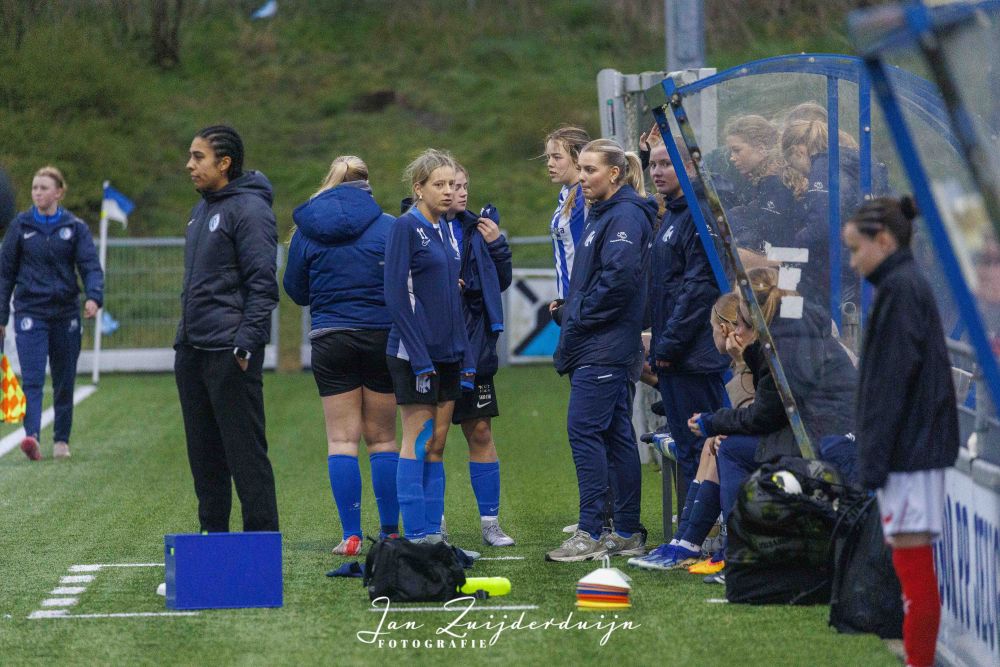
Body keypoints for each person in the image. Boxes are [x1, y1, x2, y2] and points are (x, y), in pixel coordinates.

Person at [843, 196, 959, 667]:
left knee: (913, 573)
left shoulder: (901, 290)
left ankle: (919, 661)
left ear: (885, 241)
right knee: (910, 567)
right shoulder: (899, 286)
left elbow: (891, 383)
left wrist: (874, 459)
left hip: (910, 453)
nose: (853, 262)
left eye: (857, 249)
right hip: (911, 450)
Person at [283, 155, 399, 556]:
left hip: (331, 338)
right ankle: (390, 533)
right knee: (383, 440)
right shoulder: (389, 226)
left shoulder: (307, 230)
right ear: (368, 185)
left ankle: (351, 535)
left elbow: (296, 290)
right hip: (382, 336)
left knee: (341, 440)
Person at [546, 138, 654, 562]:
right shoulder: (603, 212)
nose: (583, 177)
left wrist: (577, 314)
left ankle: (591, 530)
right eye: (582, 169)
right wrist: (574, 309)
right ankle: (625, 530)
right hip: (603, 342)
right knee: (615, 435)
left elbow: (619, 281)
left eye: (591, 170)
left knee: (585, 430)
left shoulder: (624, 214)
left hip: (606, 346)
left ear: (614, 173)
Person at [174, 125, 280, 533]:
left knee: (245, 454)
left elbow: (262, 284)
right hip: (193, 349)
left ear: (225, 163)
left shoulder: (250, 209)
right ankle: (212, 541)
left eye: (198, 157)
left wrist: (246, 343)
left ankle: (260, 545)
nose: (189, 165)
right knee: (204, 457)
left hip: (230, 351)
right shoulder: (201, 210)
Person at [384, 149, 476, 551]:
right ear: (418, 188)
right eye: (439, 184)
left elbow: (452, 299)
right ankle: (416, 537)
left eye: (452, 184)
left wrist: (465, 355)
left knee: (437, 447)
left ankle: (435, 539)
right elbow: (395, 297)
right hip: (414, 355)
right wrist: (420, 358)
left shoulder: (447, 229)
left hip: (449, 354)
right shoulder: (406, 227)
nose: (448, 191)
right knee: (418, 442)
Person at [644, 136, 730, 543]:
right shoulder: (673, 214)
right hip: (676, 355)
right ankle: (692, 535)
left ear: (690, 167)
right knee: (688, 446)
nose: (657, 171)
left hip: (693, 357)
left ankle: (706, 538)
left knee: (704, 447)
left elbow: (698, 290)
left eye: (666, 163)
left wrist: (668, 345)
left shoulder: (697, 215)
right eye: (653, 164)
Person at [0, 166, 103, 461]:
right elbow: (5, 274)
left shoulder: (75, 227)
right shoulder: (20, 226)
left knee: (63, 379)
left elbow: (90, 266)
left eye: (44, 188)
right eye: (34, 187)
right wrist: (1, 317)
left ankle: (61, 440)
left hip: (65, 313)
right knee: (32, 378)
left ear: (59, 193)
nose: (38, 193)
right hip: (30, 312)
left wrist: (94, 297)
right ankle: (31, 436)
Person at [442, 164, 516, 547]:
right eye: (454, 186)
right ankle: (433, 526)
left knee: (481, 431)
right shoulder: (416, 229)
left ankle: (490, 523)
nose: (462, 192)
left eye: (465, 185)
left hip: (474, 344)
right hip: (435, 348)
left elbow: (500, 281)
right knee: (431, 440)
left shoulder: (477, 229)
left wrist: (497, 245)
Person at [781, 119, 863, 309]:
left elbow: (822, 225)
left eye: (792, 164)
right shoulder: (850, 161)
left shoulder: (822, 166)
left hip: (842, 270)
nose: (800, 173)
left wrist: (795, 245)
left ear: (798, 151)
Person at [722, 115, 798, 252]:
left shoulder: (776, 183)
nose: (732, 158)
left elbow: (773, 238)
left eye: (737, 150)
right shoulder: (767, 179)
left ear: (761, 149)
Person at [544, 126, 590, 299]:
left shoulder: (587, 194)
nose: (550, 163)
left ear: (578, 158)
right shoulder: (565, 192)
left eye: (557, 157)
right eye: (548, 157)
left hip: (584, 300)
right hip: (569, 300)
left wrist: (643, 157)